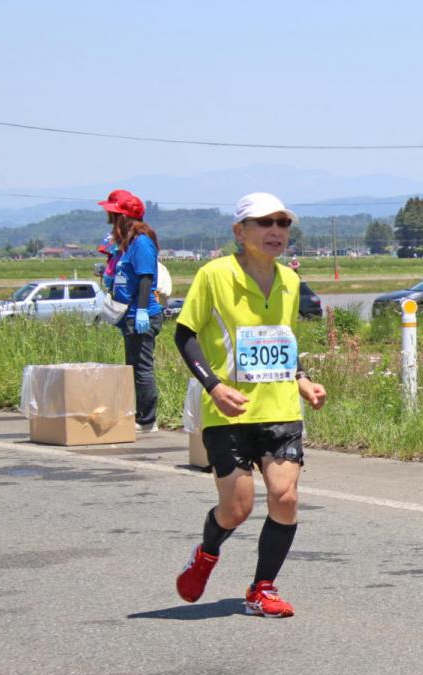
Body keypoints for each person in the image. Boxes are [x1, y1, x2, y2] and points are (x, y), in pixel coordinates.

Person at [173, 192, 328, 618]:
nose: (276, 231)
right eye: (265, 223)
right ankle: (206, 553)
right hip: (230, 413)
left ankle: (262, 589)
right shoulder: (214, 275)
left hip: (280, 410)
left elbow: (281, 341)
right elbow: (184, 335)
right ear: (239, 232)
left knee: (286, 498)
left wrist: (301, 379)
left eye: (283, 223)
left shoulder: (291, 280)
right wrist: (214, 386)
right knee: (236, 509)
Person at [98, 191, 163, 433]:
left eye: (113, 214)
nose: (110, 218)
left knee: (143, 368)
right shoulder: (128, 242)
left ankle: (148, 421)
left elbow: (146, 278)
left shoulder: (142, 242)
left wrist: (143, 310)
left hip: (140, 314)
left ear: (123, 216)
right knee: (132, 367)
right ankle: (138, 414)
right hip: (129, 314)